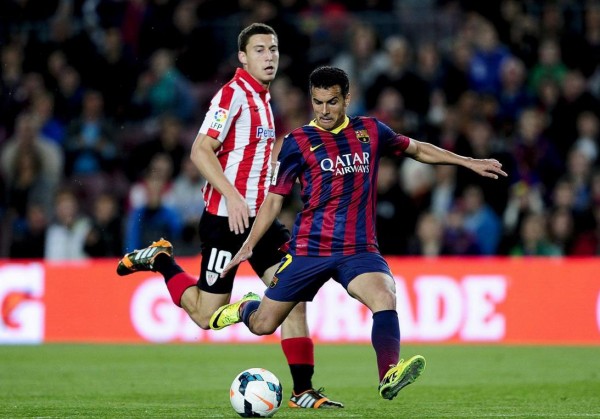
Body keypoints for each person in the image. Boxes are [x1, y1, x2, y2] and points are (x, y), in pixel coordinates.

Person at [209, 66, 508, 401]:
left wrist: (467, 161)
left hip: (358, 249)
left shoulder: (370, 130)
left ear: (347, 98)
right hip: (310, 249)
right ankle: (247, 308)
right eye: (317, 102)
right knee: (264, 324)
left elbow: (418, 149)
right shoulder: (296, 143)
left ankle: (388, 374)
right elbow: (274, 200)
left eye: (332, 102)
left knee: (385, 296)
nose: (323, 110)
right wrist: (250, 244)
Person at [116, 23, 343, 409]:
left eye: (273, 49)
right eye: (259, 50)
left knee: (294, 293)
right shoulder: (232, 95)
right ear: (242, 56)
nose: (269, 56)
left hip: (261, 222)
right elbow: (200, 151)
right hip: (226, 220)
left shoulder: (264, 100)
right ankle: (162, 261)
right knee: (207, 316)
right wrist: (233, 196)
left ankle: (303, 390)